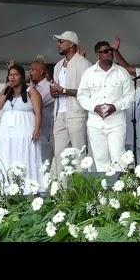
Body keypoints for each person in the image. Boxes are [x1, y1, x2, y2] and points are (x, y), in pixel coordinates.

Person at [77, 41, 134, 172]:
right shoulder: (89, 73)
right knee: (101, 161)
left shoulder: (122, 72)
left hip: (116, 123)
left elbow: (130, 96)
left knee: (118, 159)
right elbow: (81, 95)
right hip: (95, 124)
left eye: (110, 51)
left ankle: (119, 191)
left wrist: (116, 106)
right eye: (105, 51)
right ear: (98, 54)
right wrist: (94, 107)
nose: (109, 53)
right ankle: (105, 191)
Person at [0, 64, 43, 194]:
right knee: (8, 159)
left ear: (22, 76)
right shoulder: (5, 91)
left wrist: (36, 129)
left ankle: (28, 191)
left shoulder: (30, 91)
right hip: (8, 136)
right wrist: (6, 91)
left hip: (25, 133)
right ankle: (7, 190)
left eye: (16, 75)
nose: (13, 77)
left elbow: (38, 112)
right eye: (10, 75)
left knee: (25, 159)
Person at [50, 31, 91, 173]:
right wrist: (54, 92)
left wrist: (64, 91)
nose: (58, 45)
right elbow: (57, 89)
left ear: (72, 44)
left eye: (61, 41)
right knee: (59, 155)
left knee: (80, 155)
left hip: (77, 114)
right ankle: (62, 192)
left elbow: (87, 92)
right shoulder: (58, 66)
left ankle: (82, 191)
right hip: (60, 114)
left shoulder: (84, 64)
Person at [29, 58, 55, 165]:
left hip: (45, 132)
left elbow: (36, 104)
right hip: (32, 131)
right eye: (30, 70)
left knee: (44, 165)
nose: (30, 73)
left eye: (33, 70)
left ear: (41, 72)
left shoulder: (49, 87)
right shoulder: (31, 87)